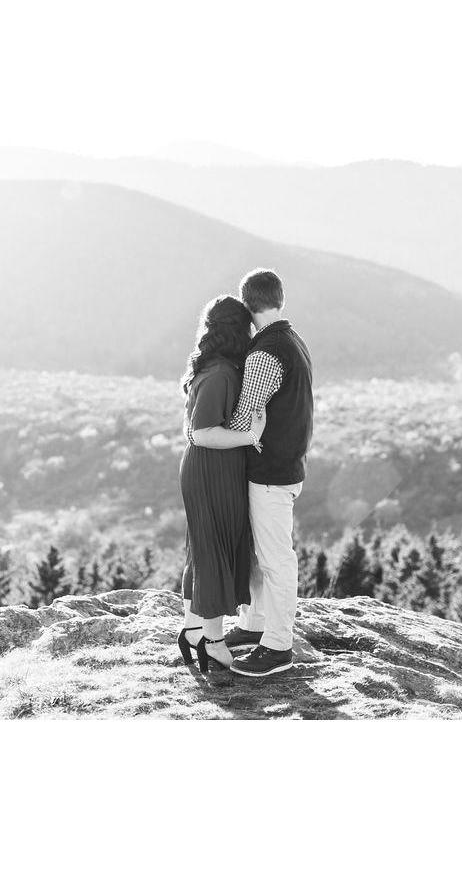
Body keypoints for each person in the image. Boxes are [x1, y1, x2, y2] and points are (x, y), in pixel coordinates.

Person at [225, 269, 314, 677]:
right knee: (262, 555)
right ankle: (254, 623)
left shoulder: (265, 354)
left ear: (248, 306)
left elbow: (244, 420)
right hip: (286, 466)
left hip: (269, 473)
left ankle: (278, 646)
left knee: (276, 559)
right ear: (280, 299)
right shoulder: (294, 341)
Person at [177, 295, 266, 674]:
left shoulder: (216, 367)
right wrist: (251, 437)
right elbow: (202, 433)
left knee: (206, 550)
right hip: (211, 470)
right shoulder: (221, 374)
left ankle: (194, 630)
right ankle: (213, 643)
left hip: (214, 469)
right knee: (213, 553)